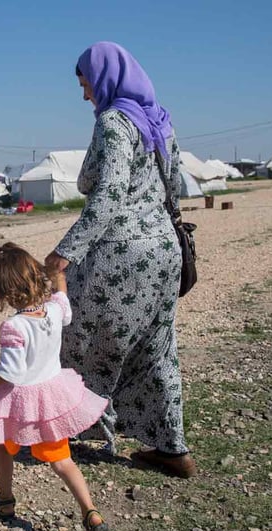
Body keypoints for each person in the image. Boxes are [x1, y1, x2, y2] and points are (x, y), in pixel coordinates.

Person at [44, 42, 197, 478]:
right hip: (164, 253)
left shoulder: (114, 122)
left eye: (86, 84)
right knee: (157, 349)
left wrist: (63, 253)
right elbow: (176, 187)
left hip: (122, 255)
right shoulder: (160, 122)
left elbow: (108, 197)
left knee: (83, 341)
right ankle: (172, 448)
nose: (86, 95)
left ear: (105, 77)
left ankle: (70, 431)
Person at [0, 243, 110, 531]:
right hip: (50, 397)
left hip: (18, 403)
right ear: (36, 278)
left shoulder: (14, 326)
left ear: (4, 292)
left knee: (4, 447)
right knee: (62, 460)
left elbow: (9, 374)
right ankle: (91, 514)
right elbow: (63, 300)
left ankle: (6, 500)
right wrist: (58, 273)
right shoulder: (53, 311)